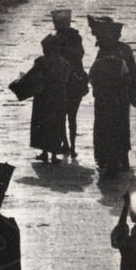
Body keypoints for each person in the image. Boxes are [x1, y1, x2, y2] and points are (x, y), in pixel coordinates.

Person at [87, 17, 136, 178]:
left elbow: (93, 75)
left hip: (105, 97)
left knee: (104, 127)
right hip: (120, 97)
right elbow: (134, 73)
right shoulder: (124, 49)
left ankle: (104, 159)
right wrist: (134, 90)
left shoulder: (105, 51)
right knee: (121, 127)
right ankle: (122, 160)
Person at [8, 35, 72, 163]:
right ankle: (54, 155)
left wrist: (18, 83)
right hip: (59, 96)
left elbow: (30, 75)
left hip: (43, 96)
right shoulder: (65, 63)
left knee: (42, 123)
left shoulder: (41, 61)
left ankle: (44, 153)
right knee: (56, 124)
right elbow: (67, 79)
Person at [47, 9, 88, 159]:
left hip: (69, 80)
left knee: (64, 116)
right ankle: (69, 145)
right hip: (73, 79)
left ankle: (69, 145)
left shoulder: (73, 38)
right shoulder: (73, 37)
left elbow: (79, 54)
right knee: (68, 116)